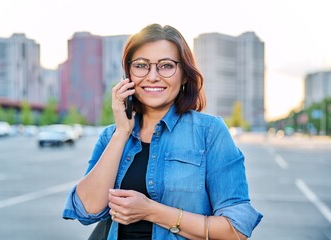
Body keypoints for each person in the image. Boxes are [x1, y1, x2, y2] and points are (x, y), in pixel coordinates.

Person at [62, 23, 262, 240]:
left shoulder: (210, 132)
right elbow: (86, 210)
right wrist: (122, 132)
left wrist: (151, 211)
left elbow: (236, 230)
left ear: (184, 75)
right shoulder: (112, 136)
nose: (153, 76)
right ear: (128, 74)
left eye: (166, 66)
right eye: (141, 65)